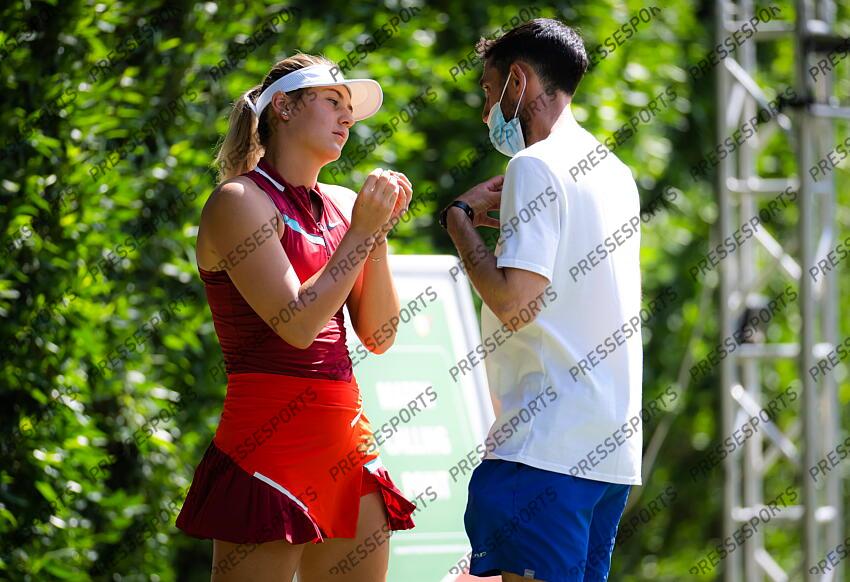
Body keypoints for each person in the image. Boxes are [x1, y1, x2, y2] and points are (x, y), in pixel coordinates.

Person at [176, 52, 417, 582]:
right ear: (283, 107)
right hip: (268, 449)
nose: (347, 118)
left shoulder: (344, 204)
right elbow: (297, 324)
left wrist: (371, 233)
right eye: (333, 102)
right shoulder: (238, 200)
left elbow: (379, 336)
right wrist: (362, 232)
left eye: (349, 108)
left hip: (347, 444)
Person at [440, 19, 643, 582]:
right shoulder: (614, 170)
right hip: (608, 452)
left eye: (488, 91)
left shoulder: (533, 164)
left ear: (519, 82)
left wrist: (458, 221)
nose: (486, 113)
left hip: (543, 452)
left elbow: (516, 305)